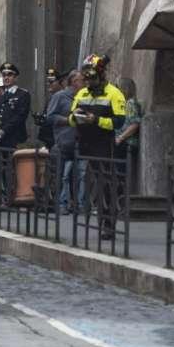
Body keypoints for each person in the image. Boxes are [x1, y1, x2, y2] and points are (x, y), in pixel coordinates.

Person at [69, 56, 128, 222]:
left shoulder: (114, 93)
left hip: (104, 145)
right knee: (87, 181)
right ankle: (89, 215)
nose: (88, 82)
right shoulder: (81, 93)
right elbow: (70, 118)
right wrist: (75, 117)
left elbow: (119, 122)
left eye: (92, 78)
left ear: (101, 75)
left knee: (106, 183)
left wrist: (96, 120)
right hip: (83, 144)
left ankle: (108, 221)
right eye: (86, 78)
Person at [45, 70, 81, 212]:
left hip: (80, 142)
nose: (84, 83)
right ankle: (61, 204)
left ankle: (77, 203)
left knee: (78, 175)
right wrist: (67, 120)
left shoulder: (84, 97)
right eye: (81, 80)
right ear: (73, 82)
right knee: (61, 175)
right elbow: (50, 117)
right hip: (63, 141)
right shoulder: (60, 97)